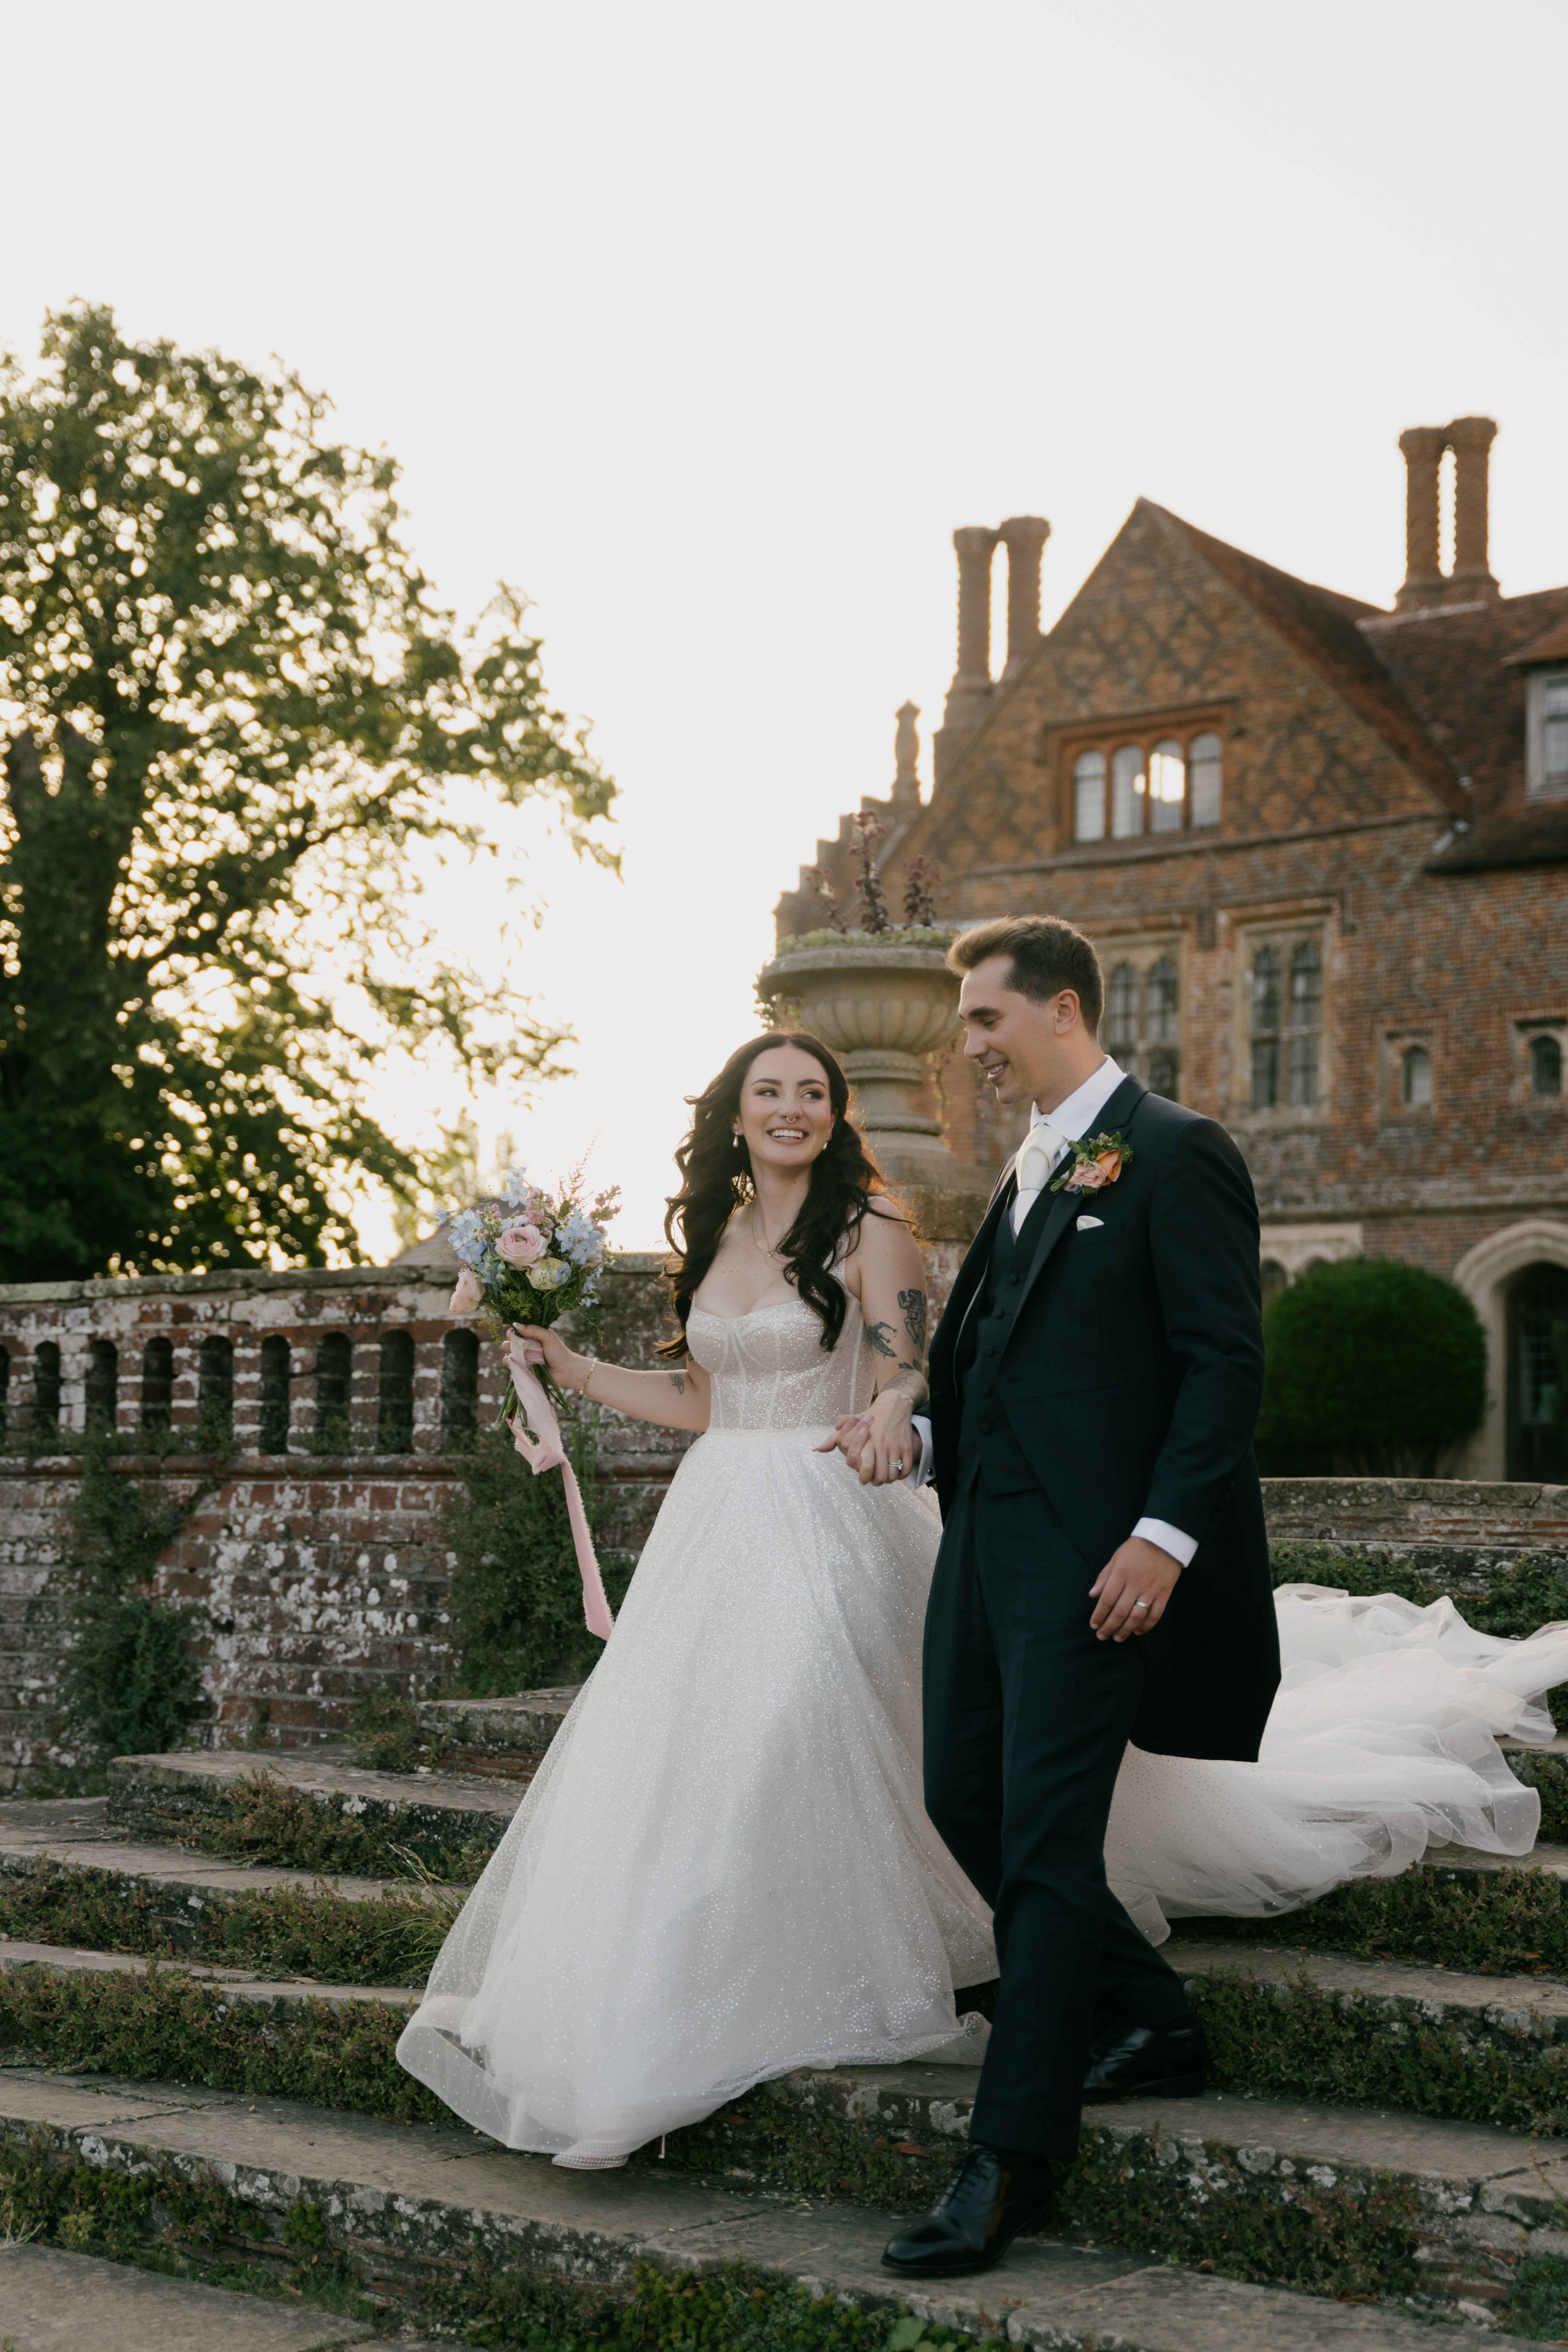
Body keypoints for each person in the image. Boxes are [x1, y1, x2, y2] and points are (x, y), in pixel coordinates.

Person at [823, 913, 1568, 2282]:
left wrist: (1161, 1540)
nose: (968, 1044)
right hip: (982, 1548)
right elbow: (999, 1369)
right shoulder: (1031, 1165)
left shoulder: (1176, 1151)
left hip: (1099, 1566)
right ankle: (1152, 2018)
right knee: (962, 1799)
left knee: (1044, 1839)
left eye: (984, 1018)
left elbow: (1223, 1364)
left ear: (1059, 1008)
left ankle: (1010, 2157)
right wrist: (914, 1439)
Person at [396, 1030, 995, 2168]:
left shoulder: (872, 1227)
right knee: (685, 1748)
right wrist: (573, 1369)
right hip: (717, 1517)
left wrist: (891, 1404)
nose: (791, 1108)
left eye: (812, 1093)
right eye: (770, 1091)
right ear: (736, 1113)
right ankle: (665, 1989)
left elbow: (911, 1364)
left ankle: (796, 1967)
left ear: (835, 1115)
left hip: (830, 1506)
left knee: (788, 1724)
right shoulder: (720, 1233)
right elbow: (704, 1399)